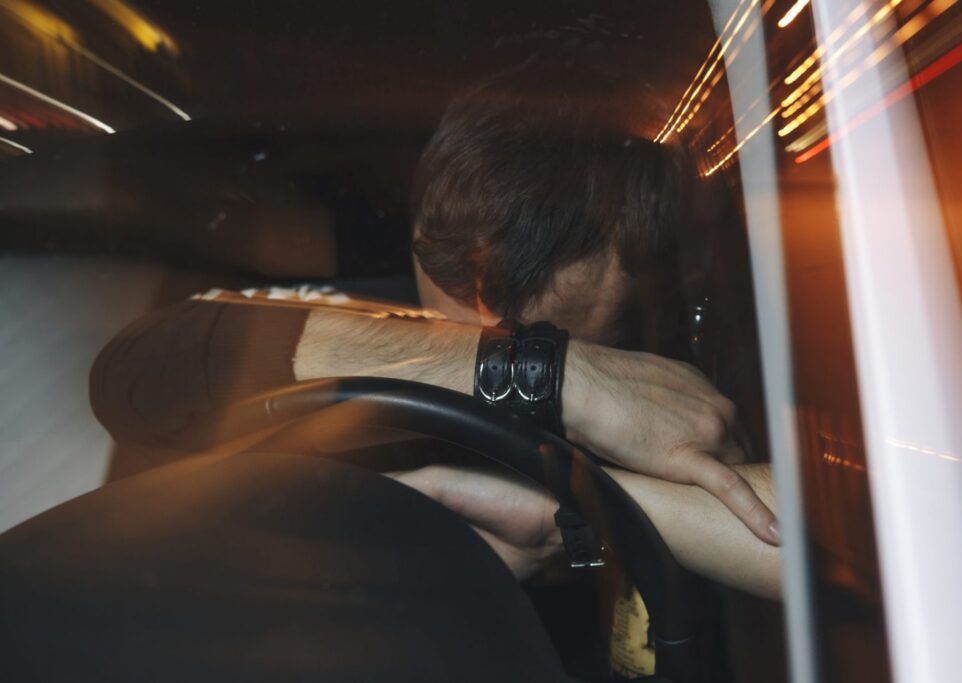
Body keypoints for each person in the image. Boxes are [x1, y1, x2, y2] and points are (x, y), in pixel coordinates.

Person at [90, 63, 779, 597]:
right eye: (462, 303)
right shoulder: (335, 324)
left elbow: (857, 529)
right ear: (422, 238)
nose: (489, 330)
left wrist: (573, 510)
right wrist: (549, 376)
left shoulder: (684, 382)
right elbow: (132, 373)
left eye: (537, 331)